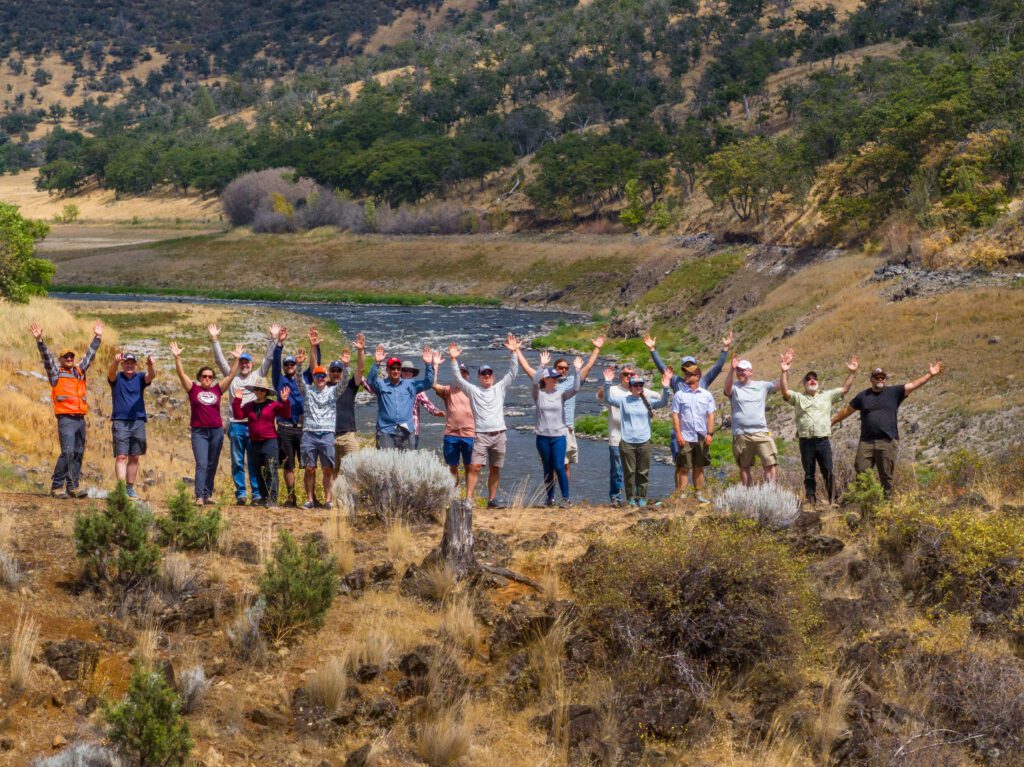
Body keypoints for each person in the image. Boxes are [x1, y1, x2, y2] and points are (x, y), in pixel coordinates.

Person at [831, 361, 943, 497]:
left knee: (886, 475)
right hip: (866, 442)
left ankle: (886, 504)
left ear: (885, 379)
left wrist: (930, 374)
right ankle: (863, 502)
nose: (879, 379)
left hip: (887, 441)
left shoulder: (894, 392)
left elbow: (913, 385)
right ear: (871, 379)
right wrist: (832, 421)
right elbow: (847, 410)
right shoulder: (863, 396)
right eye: (876, 377)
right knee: (861, 471)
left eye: (882, 377)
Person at [30, 320, 104, 499]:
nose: (70, 359)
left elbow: (89, 356)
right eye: (66, 357)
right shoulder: (56, 373)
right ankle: (57, 487)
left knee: (78, 452)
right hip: (66, 419)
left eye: (71, 357)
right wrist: (40, 341)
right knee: (68, 452)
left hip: (80, 419)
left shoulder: (79, 371)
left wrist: (97, 337)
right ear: (61, 360)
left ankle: (73, 487)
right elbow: (47, 358)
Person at [447, 335, 521, 508]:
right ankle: (469, 499)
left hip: (500, 434)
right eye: (483, 374)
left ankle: (492, 500)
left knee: (495, 468)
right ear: (479, 377)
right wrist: (453, 359)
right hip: (481, 435)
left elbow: (513, 372)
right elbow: (458, 378)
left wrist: (514, 352)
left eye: (489, 373)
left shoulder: (500, 388)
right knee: (474, 467)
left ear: (493, 377)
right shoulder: (473, 390)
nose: (486, 376)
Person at [645, 330, 732, 474]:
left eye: (691, 366)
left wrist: (725, 349)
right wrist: (652, 349)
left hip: (698, 431)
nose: (688, 369)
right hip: (680, 431)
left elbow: (717, 368)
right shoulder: (676, 381)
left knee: (699, 466)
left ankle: (696, 494)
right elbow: (662, 368)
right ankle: (679, 494)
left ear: (697, 370)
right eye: (685, 366)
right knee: (680, 466)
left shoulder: (703, 381)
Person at [209, 323, 276, 506]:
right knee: (238, 461)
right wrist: (215, 340)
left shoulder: (257, 375)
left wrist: (273, 339)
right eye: (242, 362)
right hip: (236, 424)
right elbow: (220, 361)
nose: (245, 365)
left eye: (247, 362)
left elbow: (269, 359)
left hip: (254, 425)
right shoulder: (232, 377)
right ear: (238, 364)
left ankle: (256, 494)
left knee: (253, 461)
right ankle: (241, 493)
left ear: (251, 365)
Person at [170, 340, 242, 505]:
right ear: (199, 378)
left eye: (210, 377)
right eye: (204, 376)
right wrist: (177, 358)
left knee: (212, 463)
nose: (207, 379)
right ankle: (199, 496)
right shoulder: (193, 389)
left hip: (216, 431)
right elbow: (181, 374)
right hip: (199, 432)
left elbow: (231, 375)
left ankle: (207, 494)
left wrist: (236, 359)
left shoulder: (217, 389)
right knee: (202, 463)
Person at [780, 353, 858, 506]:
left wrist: (852, 372)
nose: (812, 380)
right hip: (806, 441)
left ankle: (833, 500)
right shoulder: (798, 398)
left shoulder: (827, 396)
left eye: (814, 378)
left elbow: (845, 389)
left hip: (823, 441)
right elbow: (784, 391)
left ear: (818, 382)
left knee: (828, 471)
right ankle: (811, 501)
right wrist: (784, 371)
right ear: (804, 383)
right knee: (809, 473)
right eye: (808, 379)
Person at [517, 349, 583, 507]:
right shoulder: (538, 394)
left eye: (557, 378)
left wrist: (577, 370)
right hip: (542, 438)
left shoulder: (561, 394)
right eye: (553, 378)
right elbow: (534, 381)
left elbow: (576, 388)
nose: (556, 380)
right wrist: (541, 365)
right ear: (545, 379)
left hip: (559, 436)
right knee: (547, 468)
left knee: (559, 466)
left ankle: (566, 498)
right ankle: (550, 498)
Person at [601, 366, 672, 507]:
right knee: (629, 473)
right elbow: (608, 399)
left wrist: (666, 388)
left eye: (641, 385)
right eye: (636, 385)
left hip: (644, 442)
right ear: (631, 386)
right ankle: (631, 498)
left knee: (643, 472)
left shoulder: (648, 401)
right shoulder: (623, 400)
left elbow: (663, 402)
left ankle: (642, 498)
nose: (639, 387)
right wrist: (607, 383)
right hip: (627, 442)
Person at [722, 351, 791, 487]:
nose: (740, 373)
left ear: (750, 372)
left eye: (743, 371)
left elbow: (781, 386)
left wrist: (784, 371)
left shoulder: (762, 386)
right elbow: (726, 388)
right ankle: (748, 494)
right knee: (744, 466)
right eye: (738, 370)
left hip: (761, 432)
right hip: (741, 433)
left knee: (770, 463)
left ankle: (769, 492)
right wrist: (731, 369)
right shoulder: (734, 387)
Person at [271, 326, 321, 507]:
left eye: (293, 364)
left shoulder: (305, 377)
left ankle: (311, 498)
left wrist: (313, 346)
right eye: (288, 364)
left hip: (304, 428)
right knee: (288, 465)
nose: (290, 367)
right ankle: (291, 498)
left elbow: (316, 366)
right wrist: (280, 344)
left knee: (310, 465)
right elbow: (275, 363)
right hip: (285, 428)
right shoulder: (279, 380)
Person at [232, 377, 290, 508]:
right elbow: (238, 415)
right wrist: (237, 400)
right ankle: (263, 497)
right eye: (257, 389)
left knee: (271, 470)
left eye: (262, 390)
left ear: (266, 391)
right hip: (254, 442)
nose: (259, 392)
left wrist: (285, 401)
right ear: (254, 391)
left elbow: (286, 414)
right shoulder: (249, 406)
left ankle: (273, 499)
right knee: (258, 470)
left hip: (270, 441)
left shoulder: (273, 404)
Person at [106, 349, 156, 500]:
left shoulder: (140, 377)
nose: (129, 366)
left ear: (135, 365)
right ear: (122, 364)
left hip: (138, 421)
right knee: (121, 456)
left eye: (132, 363)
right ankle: (121, 490)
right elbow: (111, 374)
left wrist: (150, 366)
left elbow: (150, 377)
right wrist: (115, 361)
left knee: (134, 456)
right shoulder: (118, 377)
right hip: (120, 421)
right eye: (126, 363)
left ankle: (130, 488)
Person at [297, 363, 348, 509]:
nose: (320, 378)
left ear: (327, 378)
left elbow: (344, 382)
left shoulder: (333, 391)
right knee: (309, 468)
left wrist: (345, 366)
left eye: (322, 376)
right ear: (313, 377)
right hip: (309, 434)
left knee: (328, 468)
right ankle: (310, 500)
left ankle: (328, 501)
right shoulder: (307, 391)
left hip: (327, 434)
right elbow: (299, 381)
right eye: (317, 375)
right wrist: (299, 365)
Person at [366, 344, 436, 450]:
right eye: (393, 368)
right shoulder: (381, 384)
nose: (396, 371)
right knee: (386, 464)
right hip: (386, 431)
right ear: (388, 370)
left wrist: (428, 364)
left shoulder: (410, 384)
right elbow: (370, 381)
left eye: (398, 368)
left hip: (407, 431)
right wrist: (377, 363)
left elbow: (428, 383)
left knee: (408, 463)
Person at [552, 337, 604, 478]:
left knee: (565, 464)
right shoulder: (548, 383)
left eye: (565, 368)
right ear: (554, 369)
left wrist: (597, 348)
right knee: (551, 465)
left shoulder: (573, 381)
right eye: (560, 368)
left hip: (567, 427)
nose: (563, 370)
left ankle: (565, 497)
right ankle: (550, 497)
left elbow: (588, 367)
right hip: (550, 428)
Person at [670, 365, 716, 504]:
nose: (686, 376)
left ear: (697, 376)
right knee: (684, 467)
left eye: (689, 374)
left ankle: (699, 495)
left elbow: (711, 415)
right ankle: (683, 496)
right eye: (685, 374)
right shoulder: (680, 395)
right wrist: (678, 434)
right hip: (686, 436)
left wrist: (710, 434)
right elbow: (675, 415)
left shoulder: (706, 395)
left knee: (699, 466)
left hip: (701, 436)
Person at [432, 360, 476, 492]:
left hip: (470, 434)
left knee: (470, 467)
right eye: (459, 372)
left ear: (468, 375)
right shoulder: (448, 390)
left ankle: (469, 497)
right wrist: (435, 366)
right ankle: (452, 494)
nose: (462, 375)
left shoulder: (473, 391)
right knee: (452, 467)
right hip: (451, 435)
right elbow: (433, 384)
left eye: (464, 372)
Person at [328, 333, 365, 464]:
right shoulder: (325, 388)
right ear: (329, 373)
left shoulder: (350, 385)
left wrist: (360, 351)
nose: (336, 373)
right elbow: (313, 370)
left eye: (339, 370)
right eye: (333, 370)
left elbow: (360, 369)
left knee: (354, 470)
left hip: (348, 435)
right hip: (329, 436)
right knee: (332, 472)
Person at [402, 359, 444, 449]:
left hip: (412, 429)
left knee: (410, 457)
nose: (407, 372)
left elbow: (427, 404)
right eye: (405, 370)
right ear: (400, 372)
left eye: (410, 371)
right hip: (395, 429)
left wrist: (436, 412)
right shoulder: (394, 387)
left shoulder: (418, 388)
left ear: (413, 373)